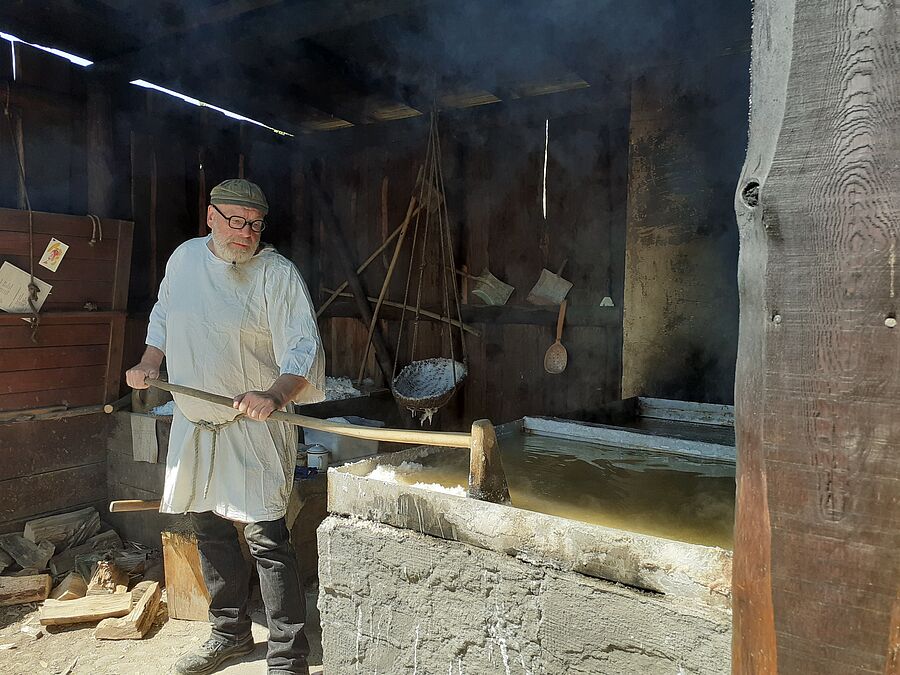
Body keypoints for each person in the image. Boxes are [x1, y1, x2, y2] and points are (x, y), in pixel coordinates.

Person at [126, 179, 325, 675]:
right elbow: (165, 313)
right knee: (208, 525)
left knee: (267, 537)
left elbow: (304, 347)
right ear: (210, 217)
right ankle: (229, 633)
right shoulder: (185, 259)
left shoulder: (277, 275)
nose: (245, 232)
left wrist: (274, 394)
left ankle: (287, 655)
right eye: (235, 220)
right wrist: (151, 361)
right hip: (197, 421)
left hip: (254, 425)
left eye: (254, 224)